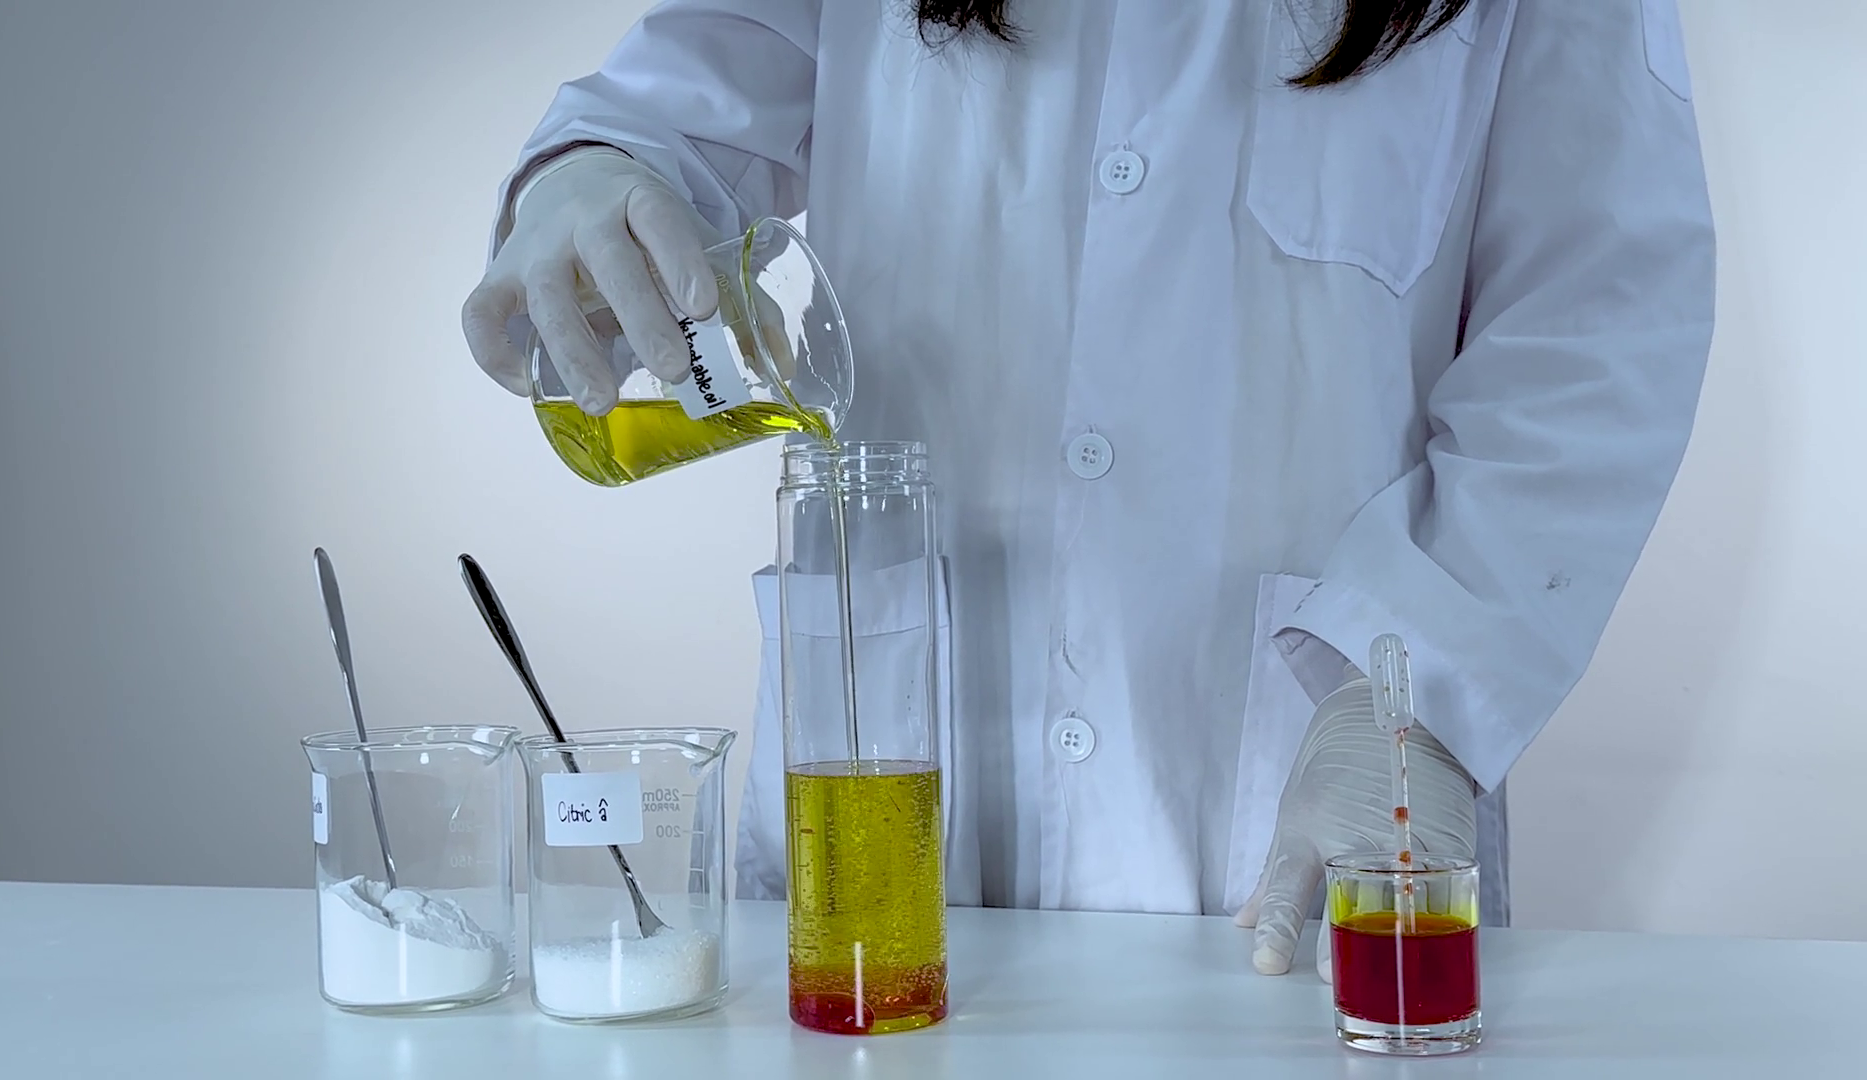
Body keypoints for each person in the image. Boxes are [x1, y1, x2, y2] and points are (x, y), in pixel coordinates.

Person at [462, 0, 1714, 980]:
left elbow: (1596, 322)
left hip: (1307, 800)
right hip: (899, 815)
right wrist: (592, 171)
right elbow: (680, 116)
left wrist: (1418, 690)